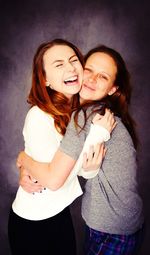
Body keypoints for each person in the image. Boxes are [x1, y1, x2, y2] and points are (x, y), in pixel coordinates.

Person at [17, 45, 144, 255]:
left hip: (111, 227)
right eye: (89, 70)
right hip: (124, 221)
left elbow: (60, 174)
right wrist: (24, 162)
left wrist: (23, 159)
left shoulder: (87, 117)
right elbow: (75, 164)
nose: (92, 79)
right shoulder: (82, 114)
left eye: (103, 76)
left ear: (113, 89)